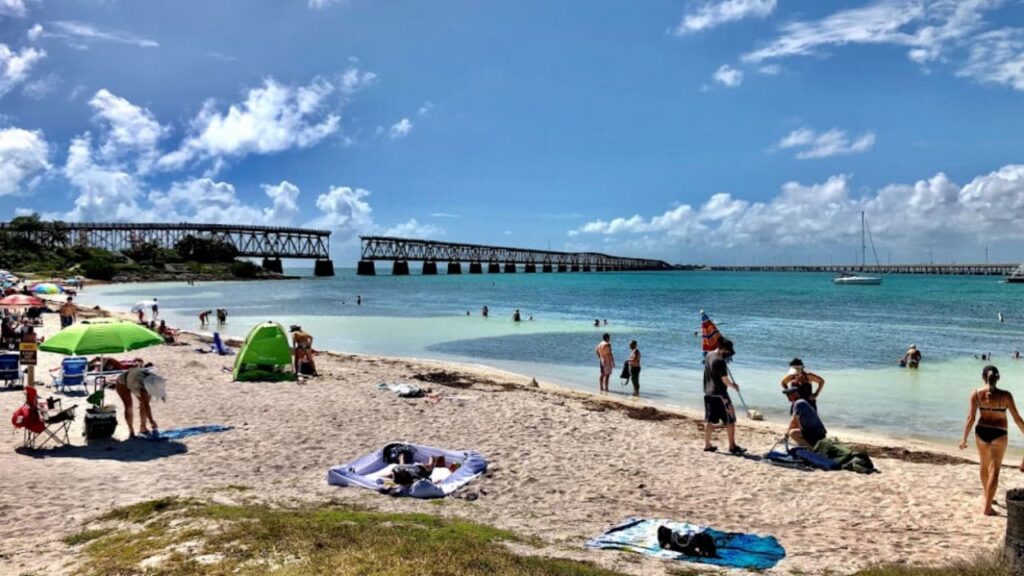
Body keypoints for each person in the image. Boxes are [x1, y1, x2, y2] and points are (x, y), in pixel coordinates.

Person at [959, 365, 1024, 516]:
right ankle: (987, 507)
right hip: (999, 433)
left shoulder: (975, 394)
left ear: (983, 377)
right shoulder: (1006, 395)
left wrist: (964, 438)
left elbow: (971, 418)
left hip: (981, 432)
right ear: (998, 378)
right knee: (994, 470)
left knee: (984, 465)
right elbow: (1017, 419)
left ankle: (987, 496)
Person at [703, 338, 745, 454]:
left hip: (708, 393)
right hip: (720, 394)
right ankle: (732, 446)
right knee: (730, 419)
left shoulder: (709, 355)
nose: (728, 354)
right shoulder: (720, 361)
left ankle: (707, 445)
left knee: (709, 420)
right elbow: (724, 380)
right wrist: (733, 386)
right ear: (723, 349)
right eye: (727, 351)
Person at [116, 364, 157, 438]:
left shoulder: (154, 380)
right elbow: (146, 405)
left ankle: (143, 428)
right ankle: (131, 431)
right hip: (122, 382)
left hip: (134, 379)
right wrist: (151, 421)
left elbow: (146, 404)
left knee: (143, 404)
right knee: (128, 406)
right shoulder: (143, 386)